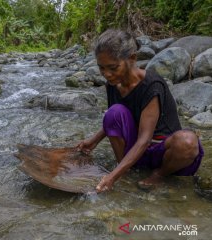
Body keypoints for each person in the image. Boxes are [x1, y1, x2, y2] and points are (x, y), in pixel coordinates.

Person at [76, 29, 204, 192]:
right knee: (113, 112)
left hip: (164, 155)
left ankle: (159, 175)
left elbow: (145, 139)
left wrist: (112, 176)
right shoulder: (113, 84)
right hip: (137, 153)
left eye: (113, 67)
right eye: (101, 68)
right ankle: (126, 170)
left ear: (132, 59)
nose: (106, 74)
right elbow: (114, 121)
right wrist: (94, 140)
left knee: (187, 142)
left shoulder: (151, 85)